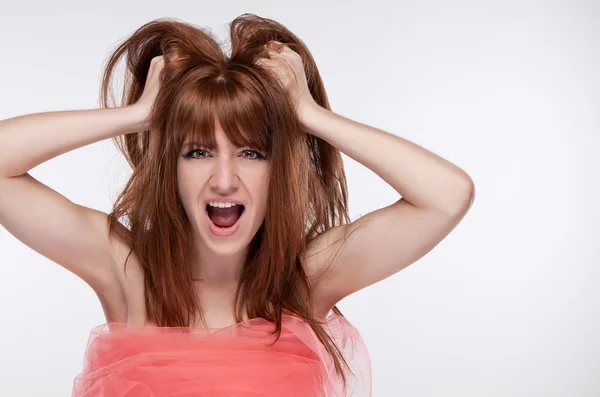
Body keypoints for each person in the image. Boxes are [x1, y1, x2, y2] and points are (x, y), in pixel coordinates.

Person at [0, 13, 474, 397]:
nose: (223, 180)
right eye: (198, 151)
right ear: (171, 167)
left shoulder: (306, 282)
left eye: (251, 153)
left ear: (278, 170)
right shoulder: (125, 271)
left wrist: (309, 115)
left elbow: (446, 196)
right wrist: (140, 115)